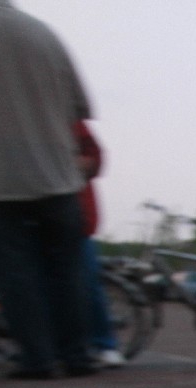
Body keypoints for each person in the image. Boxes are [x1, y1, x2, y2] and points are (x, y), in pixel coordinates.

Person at [0, 0, 95, 379]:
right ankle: (77, 355)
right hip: (58, 176)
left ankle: (38, 359)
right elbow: (78, 106)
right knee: (66, 271)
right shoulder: (44, 33)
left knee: (16, 273)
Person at [74, 120, 125, 368]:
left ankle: (104, 343)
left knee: (87, 281)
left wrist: (79, 164)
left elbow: (95, 156)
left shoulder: (70, 121)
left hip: (74, 214)